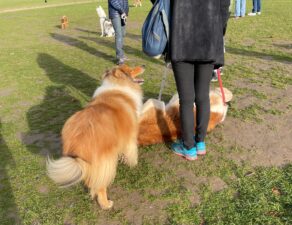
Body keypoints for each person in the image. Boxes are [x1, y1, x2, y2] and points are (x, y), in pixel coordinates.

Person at [149, 0, 230, 160]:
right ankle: (199, 142)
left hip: (181, 39)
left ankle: (188, 146)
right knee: (202, 96)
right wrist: (218, 32)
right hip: (208, 40)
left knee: (186, 100)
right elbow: (224, 7)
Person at [108, 0, 129, 65]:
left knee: (123, 33)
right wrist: (122, 11)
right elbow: (113, 1)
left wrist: (126, 12)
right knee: (119, 34)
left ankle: (122, 54)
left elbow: (125, 2)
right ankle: (120, 57)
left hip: (123, 14)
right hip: (115, 14)